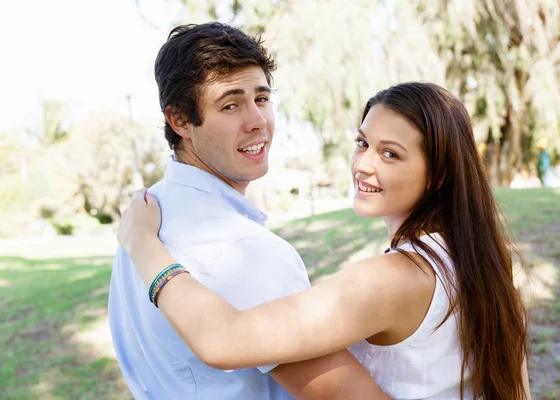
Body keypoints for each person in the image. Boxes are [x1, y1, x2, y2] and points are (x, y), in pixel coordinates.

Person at [119, 82, 533, 399]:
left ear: (439, 174)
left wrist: (144, 246)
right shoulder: (485, 258)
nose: (364, 164)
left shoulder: (392, 278)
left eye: (391, 154)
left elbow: (222, 339)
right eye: (363, 143)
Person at [108, 22, 390, 400]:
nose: (257, 120)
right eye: (230, 104)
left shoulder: (143, 218)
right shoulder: (245, 251)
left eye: (261, 98)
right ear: (179, 120)